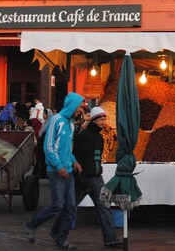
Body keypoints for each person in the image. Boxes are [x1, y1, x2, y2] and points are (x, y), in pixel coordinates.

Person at [25, 92, 86, 249]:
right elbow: (49, 147)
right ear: (72, 105)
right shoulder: (56, 121)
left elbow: (66, 150)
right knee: (58, 205)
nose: (81, 110)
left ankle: (60, 237)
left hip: (68, 172)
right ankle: (32, 224)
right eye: (79, 107)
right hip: (57, 172)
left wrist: (74, 161)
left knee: (71, 208)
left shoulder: (71, 124)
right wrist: (59, 167)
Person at [72, 106, 122, 248]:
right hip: (83, 179)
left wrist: (97, 170)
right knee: (69, 207)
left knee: (104, 208)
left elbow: (97, 158)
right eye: (100, 119)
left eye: (104, 119)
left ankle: (110, 239)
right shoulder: (82, 136)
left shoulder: (100, 137)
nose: (103, 122)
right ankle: (58, 234)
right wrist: (80, 177)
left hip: (96, 178)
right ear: (93, 120)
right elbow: (77, 157)